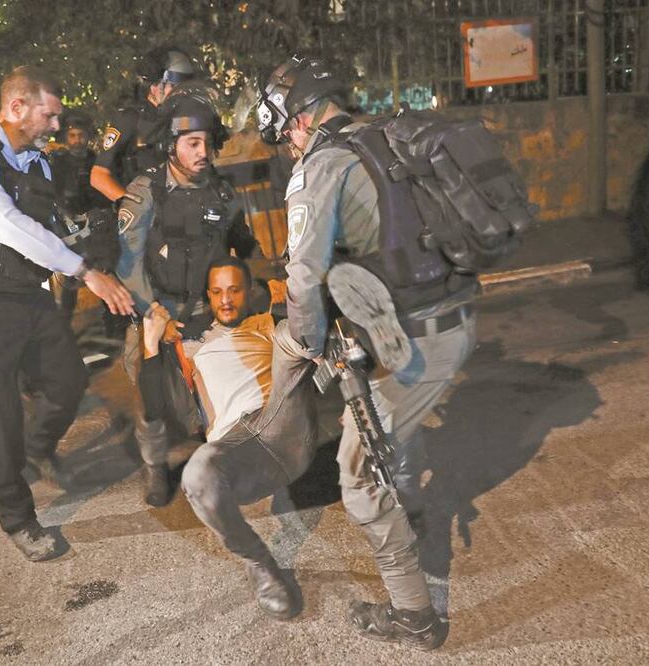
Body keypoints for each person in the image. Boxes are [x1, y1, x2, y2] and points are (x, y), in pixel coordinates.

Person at [255, 56, 479, 650]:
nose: (289, 145)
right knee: (392, 418)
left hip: (416, 344)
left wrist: (305, 344)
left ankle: (415, 616)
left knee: (357, 478)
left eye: (286, 133)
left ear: (299, 117)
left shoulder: (320, 167)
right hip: (448, 319)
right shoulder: (385, 138)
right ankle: (412, 507)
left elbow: (302, 277)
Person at [0, 65, 134, 561]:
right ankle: (19, 518)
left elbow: (44, 229)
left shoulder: (37, 164)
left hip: (27, 295)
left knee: (68, 382)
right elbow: (4, 224)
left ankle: (39, 449)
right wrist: (85, 271)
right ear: (17, 107)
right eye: (50, 114)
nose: (57, 125)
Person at [137, 256, 316, 619]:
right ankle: (260, 564)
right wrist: (151, 344)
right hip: (238, 453)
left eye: (234, 289)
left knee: (290, 336)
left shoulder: (267, 323)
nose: (226, 300)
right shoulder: (191, 344)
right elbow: (154, 407)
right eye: (217, 292)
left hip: (284, 424)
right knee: (198, 471)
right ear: (208, 295)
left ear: (249, 291)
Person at [116, 88, 260, 507]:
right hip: (156, 312)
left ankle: (221, 463)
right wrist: (152, 314)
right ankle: (155, 467)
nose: (203, 153)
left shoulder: (222, 192)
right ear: (171, 146)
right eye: (192, 144)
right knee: (152, 404)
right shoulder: (145, 193)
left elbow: (242, 243)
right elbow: (127, 263)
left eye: (206, 143)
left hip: (210, 310)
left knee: (224, 395)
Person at [90, 46, 197, 202]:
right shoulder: (130, 118)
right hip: (147, 216)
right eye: (174, 86)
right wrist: (132, 206)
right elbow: (98, 176)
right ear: (154, 86)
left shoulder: (184, 120)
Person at [49, 111, 117, 315]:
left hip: (99, 227)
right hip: (70, 228)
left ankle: (112, 318)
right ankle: (65, 323)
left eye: (81, 135)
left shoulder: (99, 162)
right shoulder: (58, 164)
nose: (77, 140)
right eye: (72, 135)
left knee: (107, 271)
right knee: (71, 275)